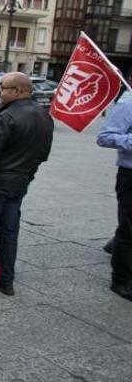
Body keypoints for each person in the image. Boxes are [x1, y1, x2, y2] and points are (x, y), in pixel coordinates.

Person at [0, 72, 53, 296]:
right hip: (19, 181)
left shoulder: (6, 116)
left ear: (18, 91)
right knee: (9, 231)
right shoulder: (44, 116)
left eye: (4, 88)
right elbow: (43, 154)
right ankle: (6, 279)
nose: (0, 91)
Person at [96, 100, 132, 301]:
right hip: (130, 173)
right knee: (129, 229)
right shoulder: (128, 103)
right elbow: (105, 137)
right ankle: (121, 279)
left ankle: (115, 246)